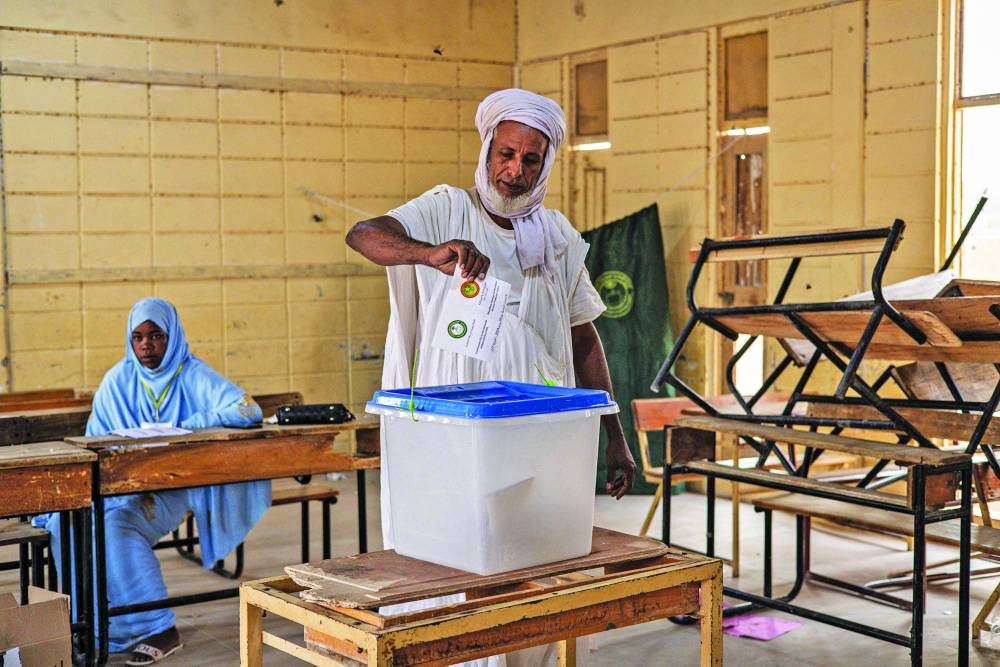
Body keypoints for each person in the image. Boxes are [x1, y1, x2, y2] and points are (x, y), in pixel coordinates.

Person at [346, 88, 636, 667]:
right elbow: (363, 234)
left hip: (540, 431)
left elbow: (582, 338)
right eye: (506, 153)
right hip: (461, 429)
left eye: (531, 160)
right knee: (458, 564)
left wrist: (615, 436)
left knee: (533, 566)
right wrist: (429, 254)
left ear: (546, 163)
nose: (514, 170)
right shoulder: (448, 207)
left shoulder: (556, 237)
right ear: (487, 149)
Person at [38, 297, 270, 665]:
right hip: (118, 484)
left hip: (170, 487)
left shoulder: (191, 373)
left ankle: (158, 626)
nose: (147, 345)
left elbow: (248, 409)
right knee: (65, 526)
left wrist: (195, 422)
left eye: (157, 336)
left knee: (117, 527)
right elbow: (97, 438)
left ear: (172, 336)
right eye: (138, 337)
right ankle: (93, 626)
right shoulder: (118, 379)